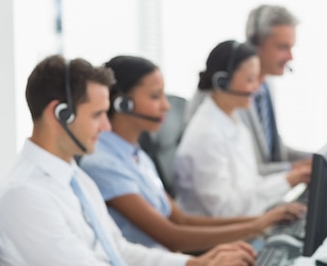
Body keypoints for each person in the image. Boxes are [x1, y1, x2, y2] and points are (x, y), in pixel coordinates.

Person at [0, 54, 256, 266]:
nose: (106, 127)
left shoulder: (75, 178)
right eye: (97, 115)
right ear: (59, 114)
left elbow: (117, 250)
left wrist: (192, 263)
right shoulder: (24, 195)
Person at [79, 55, 306, 253]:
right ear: (122, 103)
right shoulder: (104, 163)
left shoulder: (137, 155)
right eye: (155, 96)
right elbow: (171, 236)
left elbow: (181, 219)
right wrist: (256, 227)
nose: (166, 106)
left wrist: (263, 221)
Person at [175, 40, 310, 217]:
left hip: (246, 222)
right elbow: (225, 210)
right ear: (222, 82)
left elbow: (249, 184)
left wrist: (289, 181)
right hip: (220, 237)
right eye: (250, 79)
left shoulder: (233, 119)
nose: (257, 87)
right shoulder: (207, 135)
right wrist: (286, 181)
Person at [185, 4, 312, 176]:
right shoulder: (224, 93)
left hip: (266, 192)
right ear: (254, 44)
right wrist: (294, 171)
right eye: (283, 47)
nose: (291, 57)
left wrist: (317, 160)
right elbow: (243, 170)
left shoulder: (267, 86)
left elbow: (275, 153)